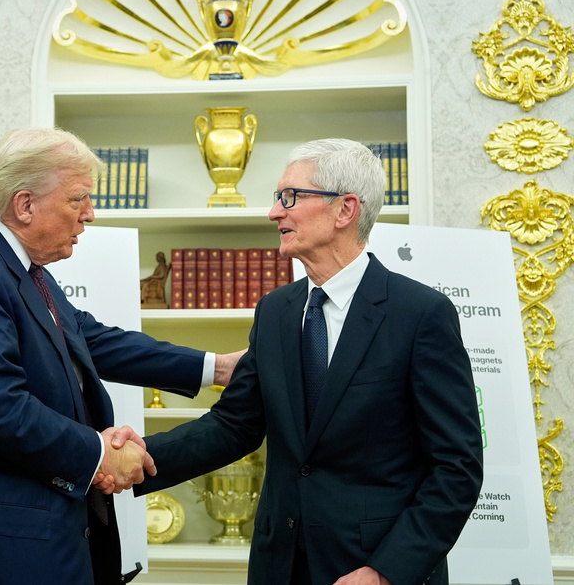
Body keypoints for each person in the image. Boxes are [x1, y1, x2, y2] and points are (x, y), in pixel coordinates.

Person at [0, 127, 242, 585]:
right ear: (25, 204)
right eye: (78, 200)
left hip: (30, 537)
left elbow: (90, 340)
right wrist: (100, 455)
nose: (89, 215)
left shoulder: (12, 261)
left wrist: (217, 368)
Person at [122, 138, 483, 585]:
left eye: (290, 197)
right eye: (278, 198)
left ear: (345, 209)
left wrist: (387, 571)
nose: (275, 213)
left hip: (373, 568)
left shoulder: (420, 314)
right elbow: (233, 425)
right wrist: (129, 459)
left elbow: (456, 467)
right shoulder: (275, 311)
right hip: (280, 566)